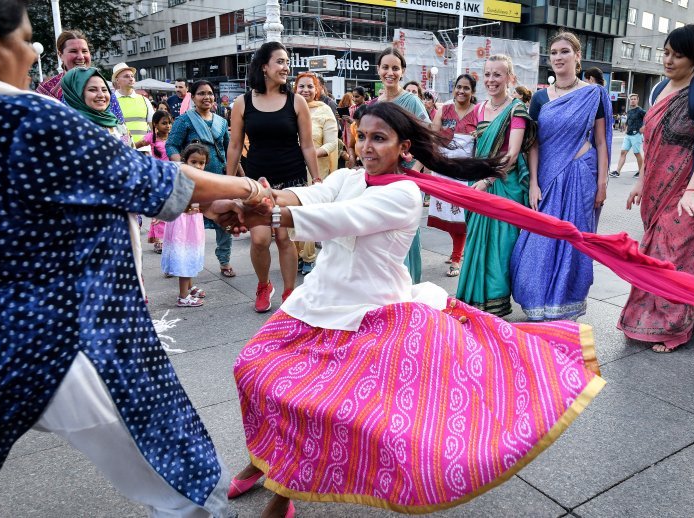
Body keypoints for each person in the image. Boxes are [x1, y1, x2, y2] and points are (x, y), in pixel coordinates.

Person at [222, 101, 605, 516]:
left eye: (379, 139)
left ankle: (282, 491)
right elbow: (307, 195)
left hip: (369, 317)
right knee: (251, 369)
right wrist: (261, 195)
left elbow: (339, 219)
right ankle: (263, 460)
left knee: (315, 406)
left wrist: (271, 213)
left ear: (403, 147)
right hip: (314, 303)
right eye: (363, 136)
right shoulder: (347, 177)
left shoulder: (404, 194)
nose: (367, 146)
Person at [0, 2, 272, 513]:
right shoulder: (26, 115)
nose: (32, 53)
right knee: (182, 477)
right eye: (26, 40)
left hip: (1, 339)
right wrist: (246, 187)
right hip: (71, 334)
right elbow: (153, 180)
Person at [619, 24, 694, 353]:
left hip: (693, 192)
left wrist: (691, 192)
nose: (668, 60)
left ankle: (674, 329)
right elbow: (650, 143)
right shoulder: (658, 90)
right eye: (666, 53)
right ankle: (647, 318)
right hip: (656, 189)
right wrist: (640, 181)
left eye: (677, 55)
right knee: (654, 257)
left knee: (679, 258)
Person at [511, 32, 612, 321]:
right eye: (553, 52)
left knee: (573, 241)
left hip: (582, 176)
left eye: (564, 51)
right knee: (535, 242)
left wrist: (602, 183)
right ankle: (537, 300)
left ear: (577, 57)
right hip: (546, 179)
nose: (558, 57)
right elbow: (534, 143)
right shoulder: (541, 98)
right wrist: (533, 182)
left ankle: (566, 303)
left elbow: (602, 141)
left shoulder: (594, 94)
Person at [225, 41, 320, 312]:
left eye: (287, 62)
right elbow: (234, 145)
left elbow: (307, 144)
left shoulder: (297, 101)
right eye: (280, 61)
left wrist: (316, 180)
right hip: (256, 181)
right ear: (264, 67)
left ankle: (290, 292)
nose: (286, 67)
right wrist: (229, 183)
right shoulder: (242, 103)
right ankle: (264, 284)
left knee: (283, 237)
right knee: (259, 239)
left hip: (290, 179)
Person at [456, 55, 535, 317]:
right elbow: (476, 149)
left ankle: (496, 307)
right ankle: (474, 304)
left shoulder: (516, 110)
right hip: (477, 185)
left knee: (500, 250)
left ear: (510, 78)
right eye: (488, 74)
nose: (491, 80)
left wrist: (487, 180)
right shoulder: (478, 109)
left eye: (497, 75)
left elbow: (512, 154)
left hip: (503, 186)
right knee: (477, 244)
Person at [166, 80, 236, 280]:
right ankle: (176, 263)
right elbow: (171, 145)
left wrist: (237, 175)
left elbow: (229, 150)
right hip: (193, 184)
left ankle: (225, 261)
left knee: (225, 221)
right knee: (184, 226)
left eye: (210, 93)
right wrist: (186, 169)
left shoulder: (221, 122)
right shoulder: (184, 121)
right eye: (201, 93)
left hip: (219, 179)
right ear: (193, 97)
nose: (207, 97)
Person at [372, 46, 431, 284]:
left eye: (395, 68)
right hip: (378, 179)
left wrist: (415, 171)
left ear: (402, 71)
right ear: (378, 70)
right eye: (385, 67)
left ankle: (407, 287)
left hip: (404, 177)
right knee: (380, 233)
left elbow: (427, 139)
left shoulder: (411, 101)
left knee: (404, 232)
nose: (390, 72)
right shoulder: (375, 103)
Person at [428, 73, 478, 278]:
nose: (461, 91)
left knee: (460, 217)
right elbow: (432, 138)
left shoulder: (479, 112)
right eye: (458, 87)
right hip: (443, 170)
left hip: (465, 173)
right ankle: (459, 249)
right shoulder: (443, 110)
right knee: (446, 214)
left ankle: (457, 257)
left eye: (466, 88)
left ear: (473, 92)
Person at [295, 71, 339, 275]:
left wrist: (311, 153)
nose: (305, 90)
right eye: (301, 86)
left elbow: (331, 143)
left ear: (317, 89)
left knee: (308, 213)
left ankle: (308, 258)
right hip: (290, 167)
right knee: (290, 213)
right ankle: (294, 253)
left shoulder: (324, 111)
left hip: (316, 171)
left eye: (310, 86)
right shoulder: (288, 108)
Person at [162, 143, 209, 307]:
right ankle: (183, 296)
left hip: (191, 224)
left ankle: (189, 287)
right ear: (185, 161)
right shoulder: (183, 179)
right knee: (185, 255)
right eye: (193, 162)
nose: (198, 166)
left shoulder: (201, 180)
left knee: (191, 254)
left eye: (201, 163)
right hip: (183, 225)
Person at [139, 110, 175, 253]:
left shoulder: (174, 138)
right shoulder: (150, 138)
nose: (168, 126)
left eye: (169, 123)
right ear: (155, 125)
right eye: (164, 123)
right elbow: (133, 146)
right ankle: (159, 240)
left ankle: (168, 237)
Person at [35, 29, 89, 99]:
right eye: (73, 51)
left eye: (84, 51)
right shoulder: (47, 90)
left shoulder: (103, 86)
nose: (81, 57)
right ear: (60, 55)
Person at [113, 62, 154, 145]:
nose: (131, 79)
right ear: (117, 80)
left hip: (144, 149)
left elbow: (153, 126)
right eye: (126, 76)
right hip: (122, 149)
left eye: (132, 76)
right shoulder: (111, 101)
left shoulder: (144, 100)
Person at [610, 93, 646, 179]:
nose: (633, 100)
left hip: (636, 134)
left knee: (637, 153)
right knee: (623, 152)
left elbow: (649, 118)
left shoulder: (640, 110)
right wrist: (626, 128)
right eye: (631, 99)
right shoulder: (629, 111)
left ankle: (641, 172)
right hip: (628, 135)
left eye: (634, 99)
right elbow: (628, 121)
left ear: (637, 100)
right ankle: (617, 171)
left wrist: (643, 127)